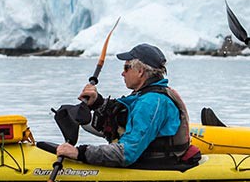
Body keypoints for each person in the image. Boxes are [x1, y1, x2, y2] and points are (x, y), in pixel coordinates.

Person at [53, 43, 197, 168]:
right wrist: (98, 102)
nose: (122, 73)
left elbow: (127, 153)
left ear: (140, 71)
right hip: (145, 156)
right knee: (87, 122)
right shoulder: (144, 95)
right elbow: (124, 112)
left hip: (155, 165)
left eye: (126, 68)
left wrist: (80, 153)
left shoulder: (151, 102)